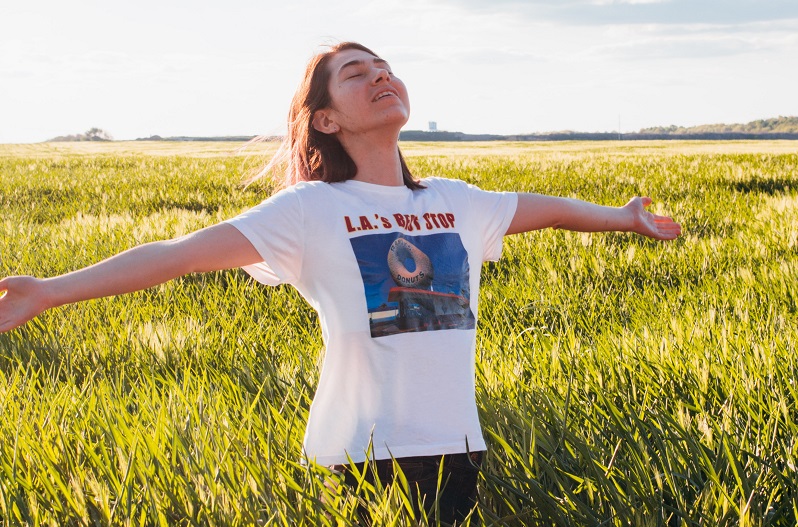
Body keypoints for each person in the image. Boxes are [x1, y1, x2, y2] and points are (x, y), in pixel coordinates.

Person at [0, 42, 681, 524]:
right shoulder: (310, 210)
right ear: (325, 119)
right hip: (360, 459)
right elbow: (179, 254)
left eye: (385, 67)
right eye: (357, 73)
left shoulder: (457, 199)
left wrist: (624, 218)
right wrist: (52, 289)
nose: (381, 75)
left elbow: (553, 210)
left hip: (458, 451)